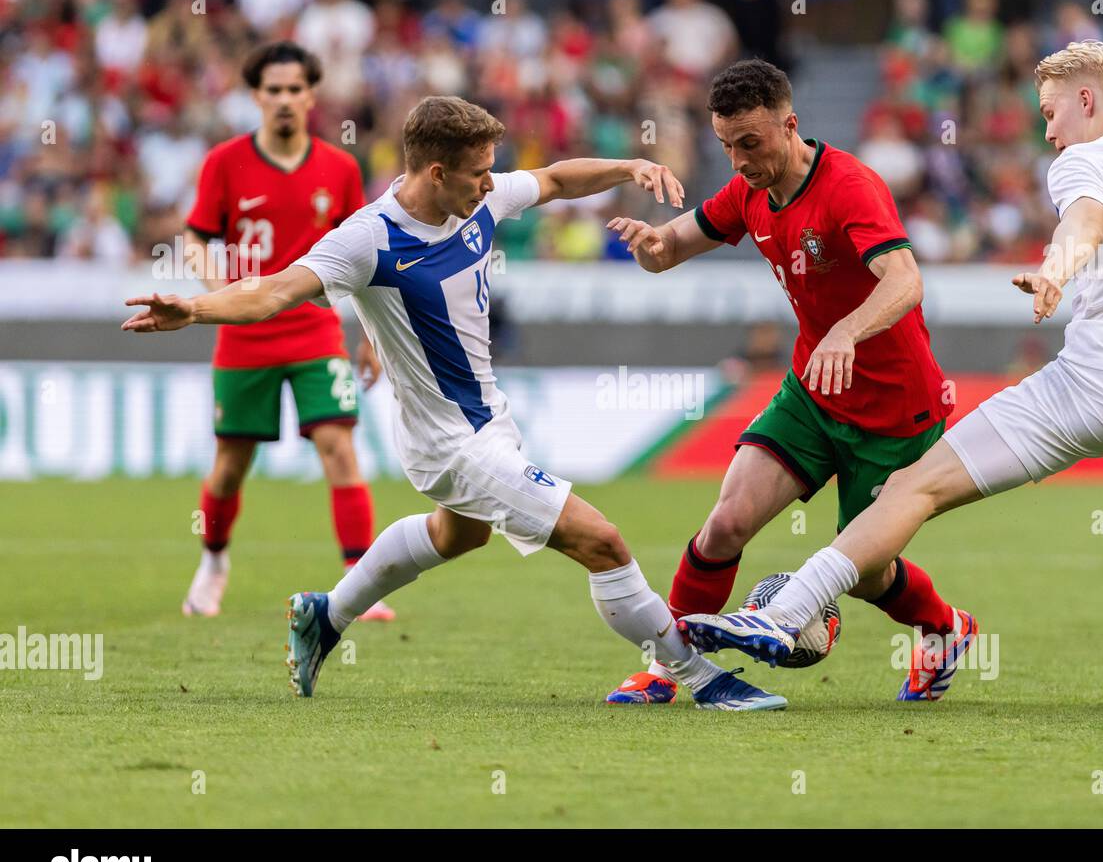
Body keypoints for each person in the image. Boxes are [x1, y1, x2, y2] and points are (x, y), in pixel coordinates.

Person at [124, 94, 786, 711]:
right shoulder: (369, 239)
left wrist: (628, 166)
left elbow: (553, 180)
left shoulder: (478, 201)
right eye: (478, 174)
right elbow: (273, 291)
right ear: (436, 172)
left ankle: (325, 614)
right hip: (449, 443)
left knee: (456, 533)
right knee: (603, 541)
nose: (491, 184)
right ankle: (698, 677)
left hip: (489, 423)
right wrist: (193, 308)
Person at [681, 42, 1103, 714]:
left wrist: (1055, 270)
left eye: (1051, 113)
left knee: (913, 486)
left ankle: (786, 610)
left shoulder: (1086, 159)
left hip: (1097, 383)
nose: (1048, 131)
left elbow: (1084, 223)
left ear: (1086, 101)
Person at [604, 59, 974, 705]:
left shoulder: (850, 186)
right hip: (811, 393)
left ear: (789, 124)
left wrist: (845, 331)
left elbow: (907, 279)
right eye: (726, 145)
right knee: (724, 526)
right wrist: (647, 244)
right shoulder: (748, 191)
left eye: (751, 142)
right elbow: (670, 250)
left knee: (862, 573)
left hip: (894, 410)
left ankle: (945, 627)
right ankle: (671, 669)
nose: (739, 159)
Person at [181, 40, 390, 621]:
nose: (284, 100)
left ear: (311, 95)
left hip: (314, 330)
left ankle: (357, 580)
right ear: (256, 96)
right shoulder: (224, 162)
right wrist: (213, 280)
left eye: (295, 89)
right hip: (244, 334)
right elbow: (197, 234)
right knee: (230, 464)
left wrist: (372, 335)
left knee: (339, 447)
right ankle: (215, 560)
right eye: (272, 89)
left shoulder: (340, 167)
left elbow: (366, 255)